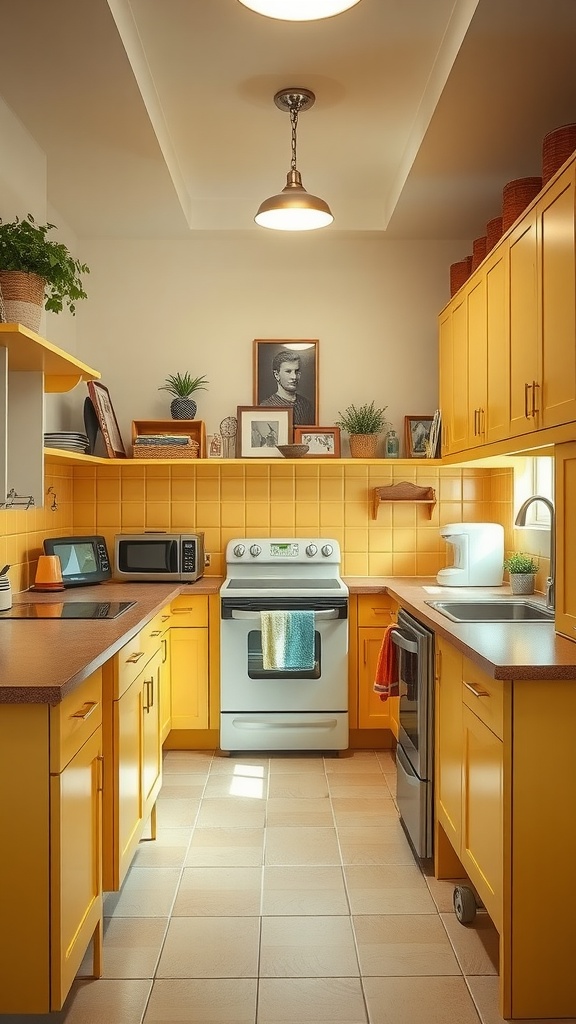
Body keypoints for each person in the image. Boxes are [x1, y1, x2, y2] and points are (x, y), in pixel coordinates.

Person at [259, 349, 315, 425]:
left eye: (297, 371)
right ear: (276, 375)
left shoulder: (307, 405)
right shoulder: (266, 407)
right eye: (288, 371)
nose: (294, 377)